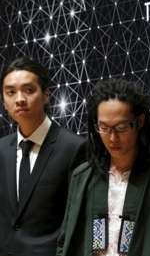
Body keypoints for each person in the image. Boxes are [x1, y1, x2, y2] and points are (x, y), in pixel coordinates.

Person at [56, 79, 150, 256]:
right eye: (103, 127)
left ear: (139, 122)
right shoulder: (82, 177)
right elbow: (65, 242)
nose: (112, 138)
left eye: (121, 127)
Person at [0, 57, 85, 256]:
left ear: (47, 94)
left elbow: (81, 218)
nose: (19, 99)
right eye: (10, 92)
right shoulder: (1, 150)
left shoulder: (74, 148)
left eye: (29, 90)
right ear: (4, 101)